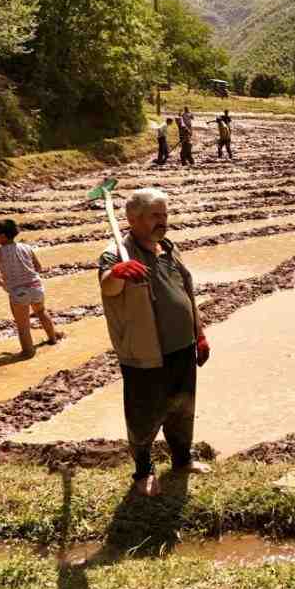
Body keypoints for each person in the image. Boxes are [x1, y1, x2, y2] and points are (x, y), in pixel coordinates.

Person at [98, 188, 211, 496]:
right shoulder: (117, 254)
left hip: (183, 348)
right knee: (144, 414)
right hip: (146, 354)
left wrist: (198, 333)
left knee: (182, 409)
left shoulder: (169, 248)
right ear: (133, 219)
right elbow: (109, 288)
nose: (162, 221)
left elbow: (186, 293)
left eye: (165, 215)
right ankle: (143, 472)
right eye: (154, 216)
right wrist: (118, 273)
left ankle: (182, 460)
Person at [0, 219, 62, 357]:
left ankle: (28, 352)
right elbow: (38, 267)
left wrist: (5, 286)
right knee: (41, 312)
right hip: (36, 286)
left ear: (2, 236)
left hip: (18, 291)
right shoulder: (26, 247)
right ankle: (53, 339)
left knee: (23, 326)